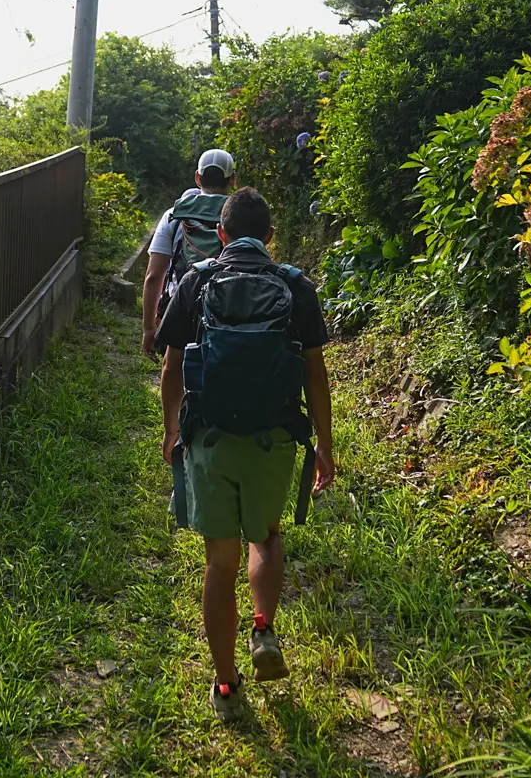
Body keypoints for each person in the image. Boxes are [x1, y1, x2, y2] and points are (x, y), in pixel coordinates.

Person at [154, 187, 335, 724]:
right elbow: (314, 373)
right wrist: (325, 444)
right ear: (271, 238)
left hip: (209, 437)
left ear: (222, 234)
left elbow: (170, 369)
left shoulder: (197, 280)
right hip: (274, 437)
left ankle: (227, 687)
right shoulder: (296, 287)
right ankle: (263, 626)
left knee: (219, 561)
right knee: (267, 534)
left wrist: (170, 432)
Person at [141, 148, 236, 357]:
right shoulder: (238, 216)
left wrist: (149, 328)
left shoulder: (173, 215)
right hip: (227, 310)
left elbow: (154, 276)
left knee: (174, 369)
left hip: (180, 307)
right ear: (233, 179)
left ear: (197, 177)